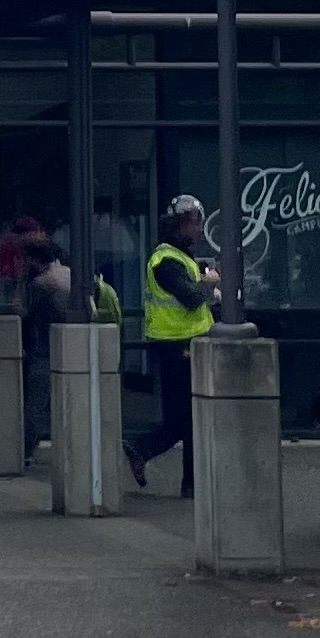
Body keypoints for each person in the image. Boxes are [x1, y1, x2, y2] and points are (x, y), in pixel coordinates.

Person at [130, 195, 219, 495]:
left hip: (184, 343)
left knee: (185, 417)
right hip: (178, 345)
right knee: (186, 417)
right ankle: (185, 480)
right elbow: (191, 297)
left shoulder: (179, 257)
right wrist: (210, 284)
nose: (197, 230)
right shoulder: (166, 260)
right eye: (192, 224)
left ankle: (150, 455)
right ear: (177, 227)